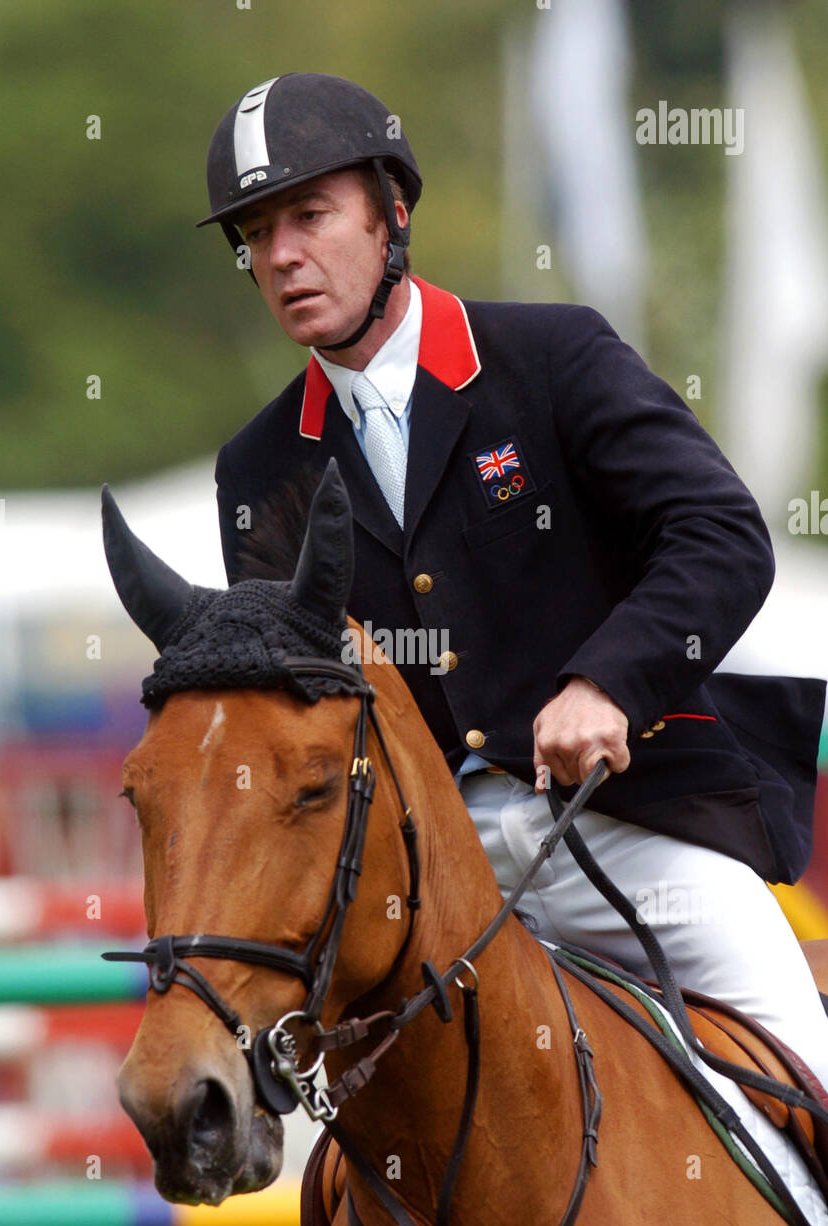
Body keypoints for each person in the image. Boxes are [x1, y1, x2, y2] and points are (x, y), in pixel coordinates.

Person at [202, 73, 828, 1091]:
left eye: (309, 216)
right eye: (255, 233)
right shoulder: (260, 467)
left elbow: (718, 533)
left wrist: (607, 683)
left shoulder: (549, 357)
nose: (280, 256)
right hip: (419, 881)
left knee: (809, 1075)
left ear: (389, 212)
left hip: (626, 827)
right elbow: (298, 704)